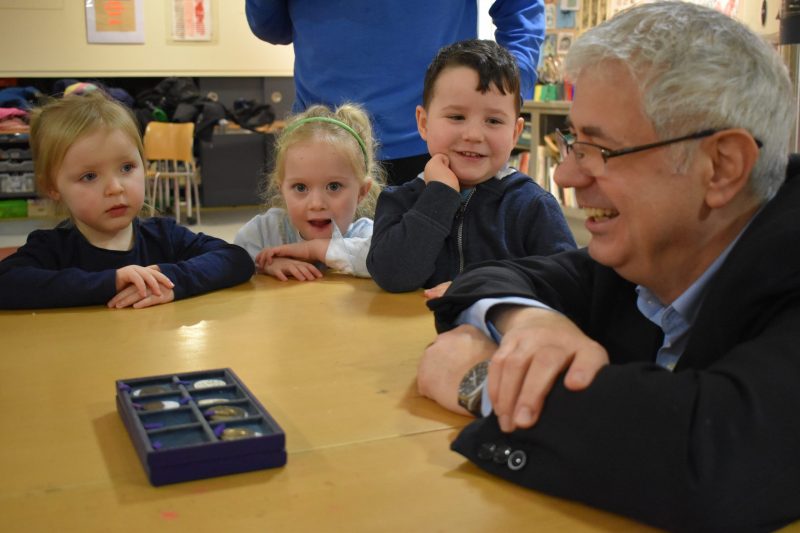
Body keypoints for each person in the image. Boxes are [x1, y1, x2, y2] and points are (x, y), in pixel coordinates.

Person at [417, 2, 800, 531]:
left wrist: (482, 381)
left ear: (721, 167)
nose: (569, 176)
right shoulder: (648, 257)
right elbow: (490, 279)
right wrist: (530, 323)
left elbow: (718, 458)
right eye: (573, 142)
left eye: (600, 149)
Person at [244, 1, 544, 186]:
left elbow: (269, 26)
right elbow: (271, 27)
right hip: (330, 139)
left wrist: (512, 87)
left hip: (435, 143)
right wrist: (514, 84)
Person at [0, 92, 254, 310]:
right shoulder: (53, 248)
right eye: (89, 176)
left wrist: (171, 279)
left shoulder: (164, 236)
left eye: (126, 168)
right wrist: (111, 282)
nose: (115, 188)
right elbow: (7, 283)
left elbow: (236, 259)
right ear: (52, 188)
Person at [366, 39, 575, 294]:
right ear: (423, 123)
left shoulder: (532, 206)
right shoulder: (398, 201)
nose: (474, 135)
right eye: (456, 117)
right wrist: (440, 195)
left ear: (515, 133)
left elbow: (568, 284)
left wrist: (480, 287)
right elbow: (392, 277)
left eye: (494, 120)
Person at [234, 103, 382, 281]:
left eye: (334, 186)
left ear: (362, 192)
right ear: (282, 190)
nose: (317, 204)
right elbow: (231, 262)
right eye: (301, 188)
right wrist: (264, 264)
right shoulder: (264, 232)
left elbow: (393, 262)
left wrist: (316, 249)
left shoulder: (368, 237)